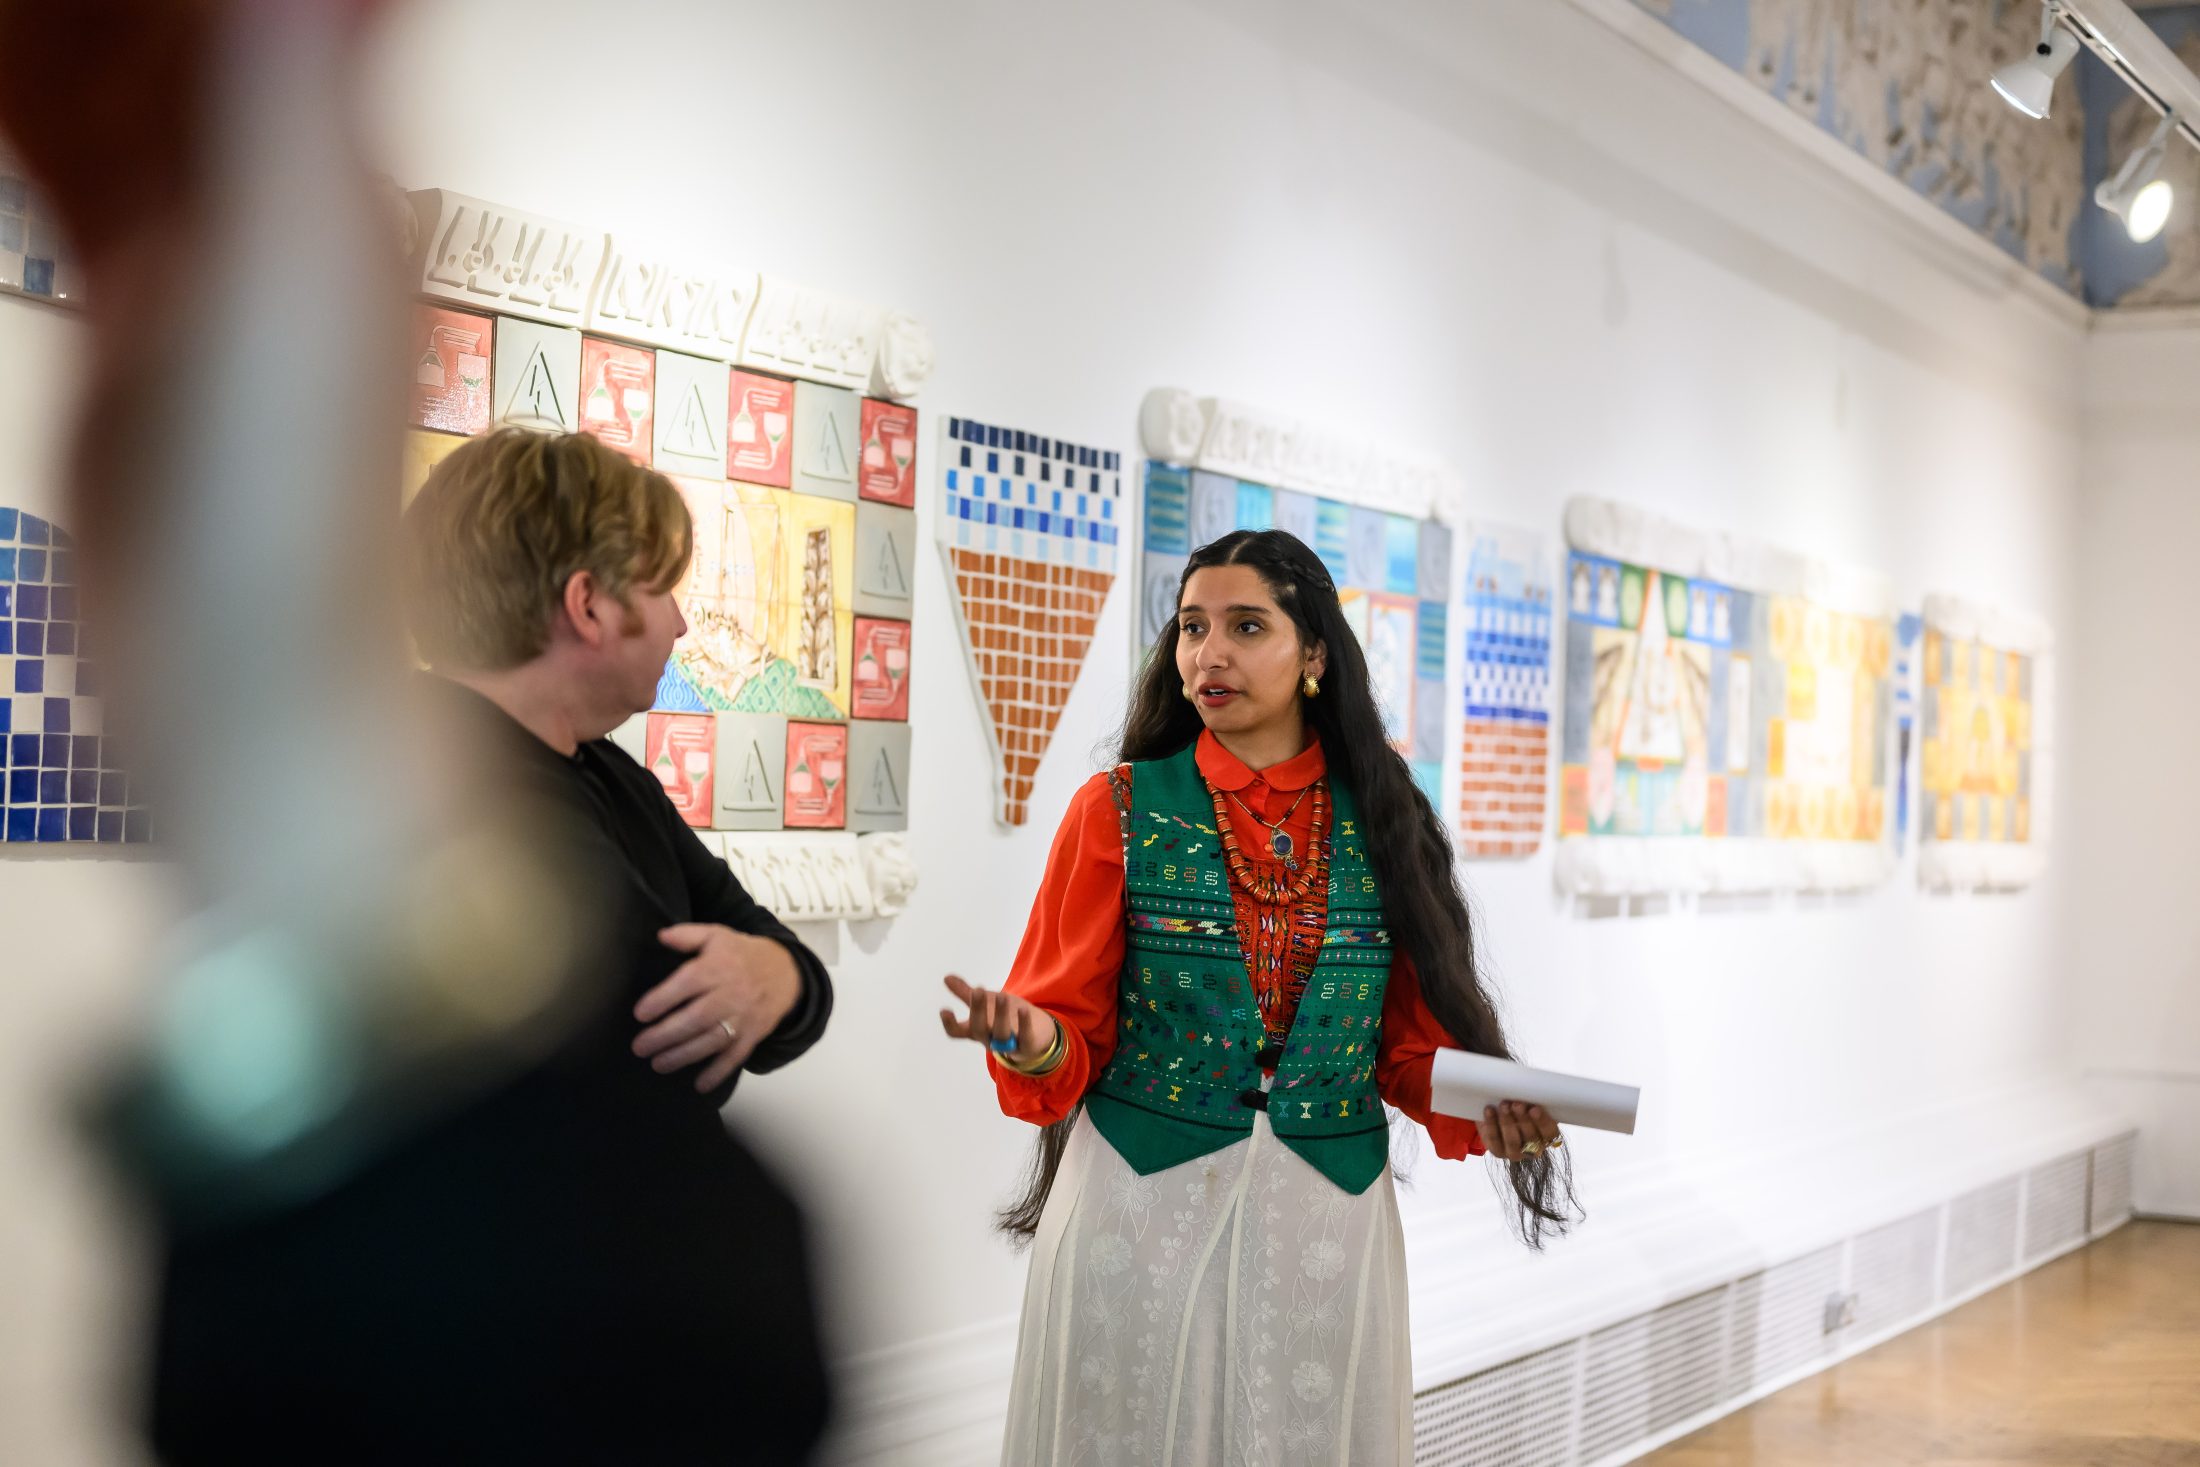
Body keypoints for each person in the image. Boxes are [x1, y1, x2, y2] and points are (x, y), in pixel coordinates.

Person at [147, 428, 836, 1465]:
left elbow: (788, 987)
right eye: (663, 588)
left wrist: (775, 973)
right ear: (588, 604)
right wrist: (749, 987)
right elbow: (651, 1031)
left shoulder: (608, 777)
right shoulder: (437, 795)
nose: (687, 620)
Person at [942, 528, 1577, 1463]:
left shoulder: (1385, 823)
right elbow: (1062, 1044)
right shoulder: (1115, 808)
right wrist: (1032, 1039)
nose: (1210, 653)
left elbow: (1401, 1055)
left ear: (1314, 653)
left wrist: (1496, 1110)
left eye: (1246, 626)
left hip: (1324, 1223)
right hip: (1138, 1206)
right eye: (1192, 628)